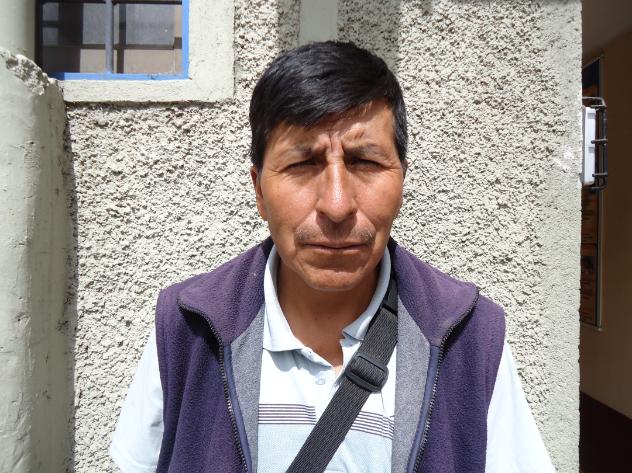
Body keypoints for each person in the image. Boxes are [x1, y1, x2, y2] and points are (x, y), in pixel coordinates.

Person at [110, 41, 555, 473]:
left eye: (364, 162)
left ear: (402, 181)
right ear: (259, 190)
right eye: (302, 164)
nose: (337, 205)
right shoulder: (187, 328)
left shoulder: (469, 338)